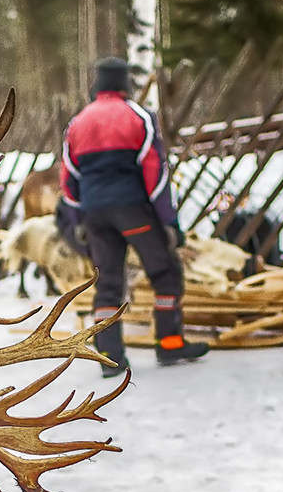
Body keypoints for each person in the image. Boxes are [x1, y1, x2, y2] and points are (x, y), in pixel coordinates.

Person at [61, 57, 209, 378]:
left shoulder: (77, 123)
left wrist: (78, 219)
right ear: (125, 84)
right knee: (165, 273)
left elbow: (69, 178)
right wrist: (168, 222)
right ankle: (170, 344)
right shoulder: (138, 116)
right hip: (133, 210)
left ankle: (110, 357)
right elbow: (155, 172)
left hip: (95, 215)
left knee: (108, 284)